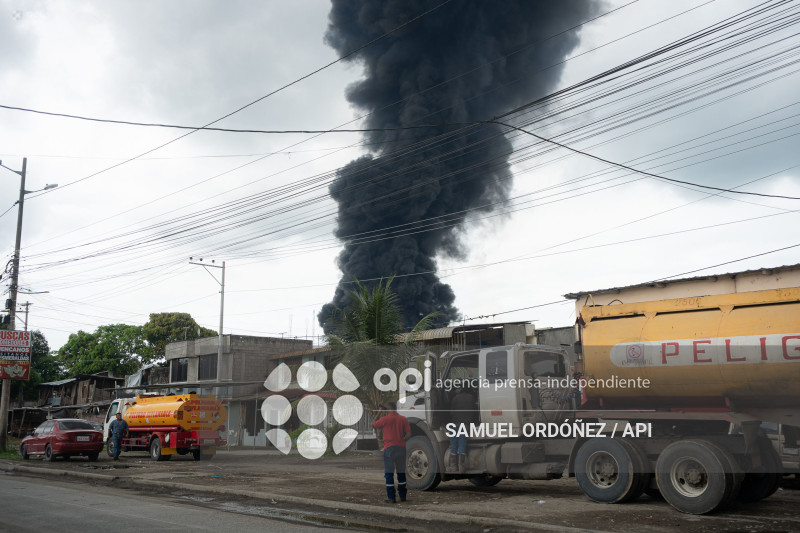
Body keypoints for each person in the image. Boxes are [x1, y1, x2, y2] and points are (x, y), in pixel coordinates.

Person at [372, 401, 411, 503]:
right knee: (401, 473)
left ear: (387, 409)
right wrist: (402, 440)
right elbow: (409, 433)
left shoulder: (384, 419)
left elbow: (374, 424)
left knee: (389, 474)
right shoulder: (403, 419)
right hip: (401, 448)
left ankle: (391, 498)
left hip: (389, 449)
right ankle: (403, 496)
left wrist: (380, 411)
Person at [448, 386, 475, 472]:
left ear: (460, 389)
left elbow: (451, 412)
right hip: (465, 425)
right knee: (462, 444)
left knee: (454, 445)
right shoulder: (471, 398)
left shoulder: (455, 398)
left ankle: (453, 466)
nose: (456, 390)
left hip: (455, 425)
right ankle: (461, 466)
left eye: (457, 388)